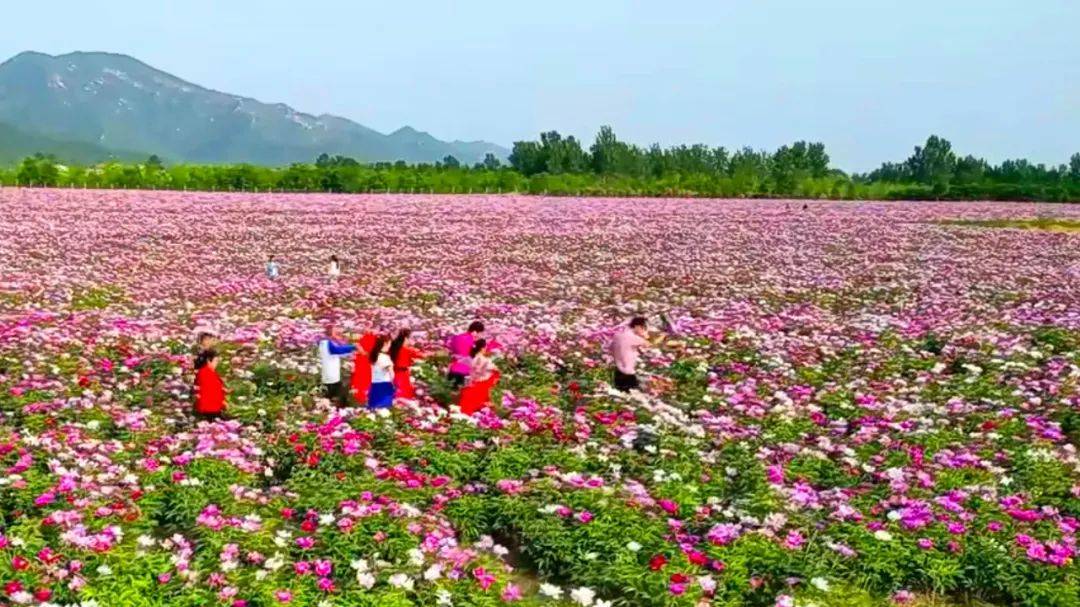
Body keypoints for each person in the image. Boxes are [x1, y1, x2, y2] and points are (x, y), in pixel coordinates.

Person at [458, 339, 500, 415]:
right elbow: (494, 372)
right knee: (482, 410)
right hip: (481, 387)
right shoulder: (486, 360)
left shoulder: (469, 359)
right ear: (482, 348)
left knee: (468, 410)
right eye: (485, 347)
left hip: (470, 386)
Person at [609, 316, 649, 392]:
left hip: (618, 372)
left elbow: (611, 348)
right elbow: (648, 344)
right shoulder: (633, 337)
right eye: (643, 328)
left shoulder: (617, 335)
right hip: (628, 374)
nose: (644, 330)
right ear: (637, 326)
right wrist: (645, 336)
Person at [317, 324, 356, 403]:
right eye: (335, 332)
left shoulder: (323, 342)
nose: (338, 333)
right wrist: (353, 347)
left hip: (329, 374)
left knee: (330, 393)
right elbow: (337, 350)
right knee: (336, 394)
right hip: (331, 376)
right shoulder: (327, 343)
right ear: (331, 332)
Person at [446, 321, 484, 388]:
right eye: (480, 333)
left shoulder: (456, 337)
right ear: (475, 332)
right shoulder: (472, 342)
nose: (479, 336)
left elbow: (451, 350)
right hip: (464, 372)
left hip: (452, 370)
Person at [389, 329, 424, 400]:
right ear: (405, 339)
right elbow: (422, 355)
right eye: (409, 339)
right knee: (404, 393)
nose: (410, 341)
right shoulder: (407, 350)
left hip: (392, 372)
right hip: (403, 374)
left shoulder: (393, 348)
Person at [193, 349, 226, 420]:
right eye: (216, 361)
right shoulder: (206, 373)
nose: (217, 363)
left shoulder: (208, 372)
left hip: (212, 408)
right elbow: (212, 392)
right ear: (208, 360)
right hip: (210, 409)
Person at [349, 331, 379, 404]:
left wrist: (360, 349)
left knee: (364, 382)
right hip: (359, 363)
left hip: (365, 364)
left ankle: (365, 400)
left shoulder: (373, 337)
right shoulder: (364, 335)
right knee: (358, 383)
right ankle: (358, 400)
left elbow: (371, 353)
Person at [367, 336, 396, 409]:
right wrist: (394, 385)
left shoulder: (375, 356)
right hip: (384, 386)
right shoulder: (385, 357)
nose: (390, 346)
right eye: (389, 344)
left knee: (374, 409)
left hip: (374, 385)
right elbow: (391, 373)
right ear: (385, 344)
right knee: (384, 410)